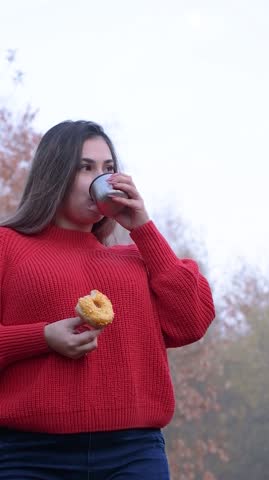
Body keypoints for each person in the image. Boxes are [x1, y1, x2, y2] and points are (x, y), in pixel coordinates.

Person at [0, 120, 215, 480]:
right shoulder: (8, 246)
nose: (102, 180)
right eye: (85, 167)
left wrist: (143, 227)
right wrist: (42, 338)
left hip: (133, 455)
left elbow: (192, 321)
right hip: (27, 456)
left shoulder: (138, 258)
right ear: (54, 174)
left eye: (109, 169)